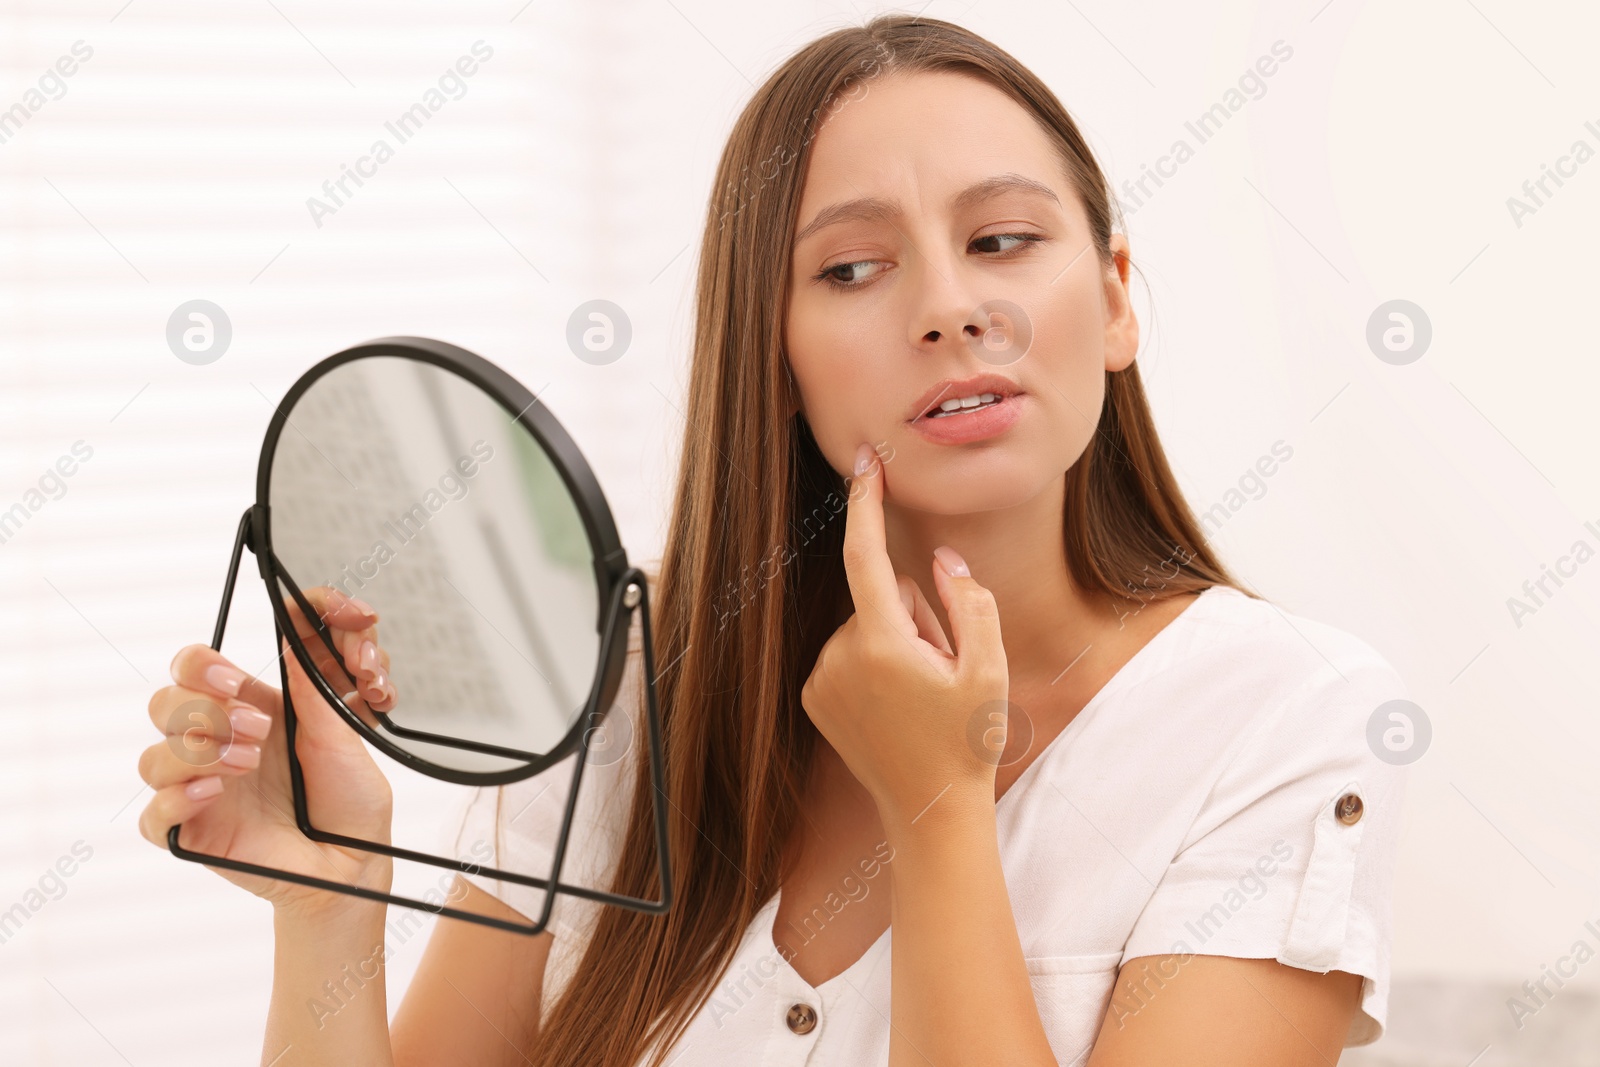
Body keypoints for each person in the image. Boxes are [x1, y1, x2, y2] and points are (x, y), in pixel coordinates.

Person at [136, 14, 1411, 1066]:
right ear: (774, 360)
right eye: (851, 268)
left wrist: (936, 805)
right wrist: (327, 901)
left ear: (1117, 297)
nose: (950, 308)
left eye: (1002, 241)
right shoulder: (630, 695)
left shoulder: (1278, 721)